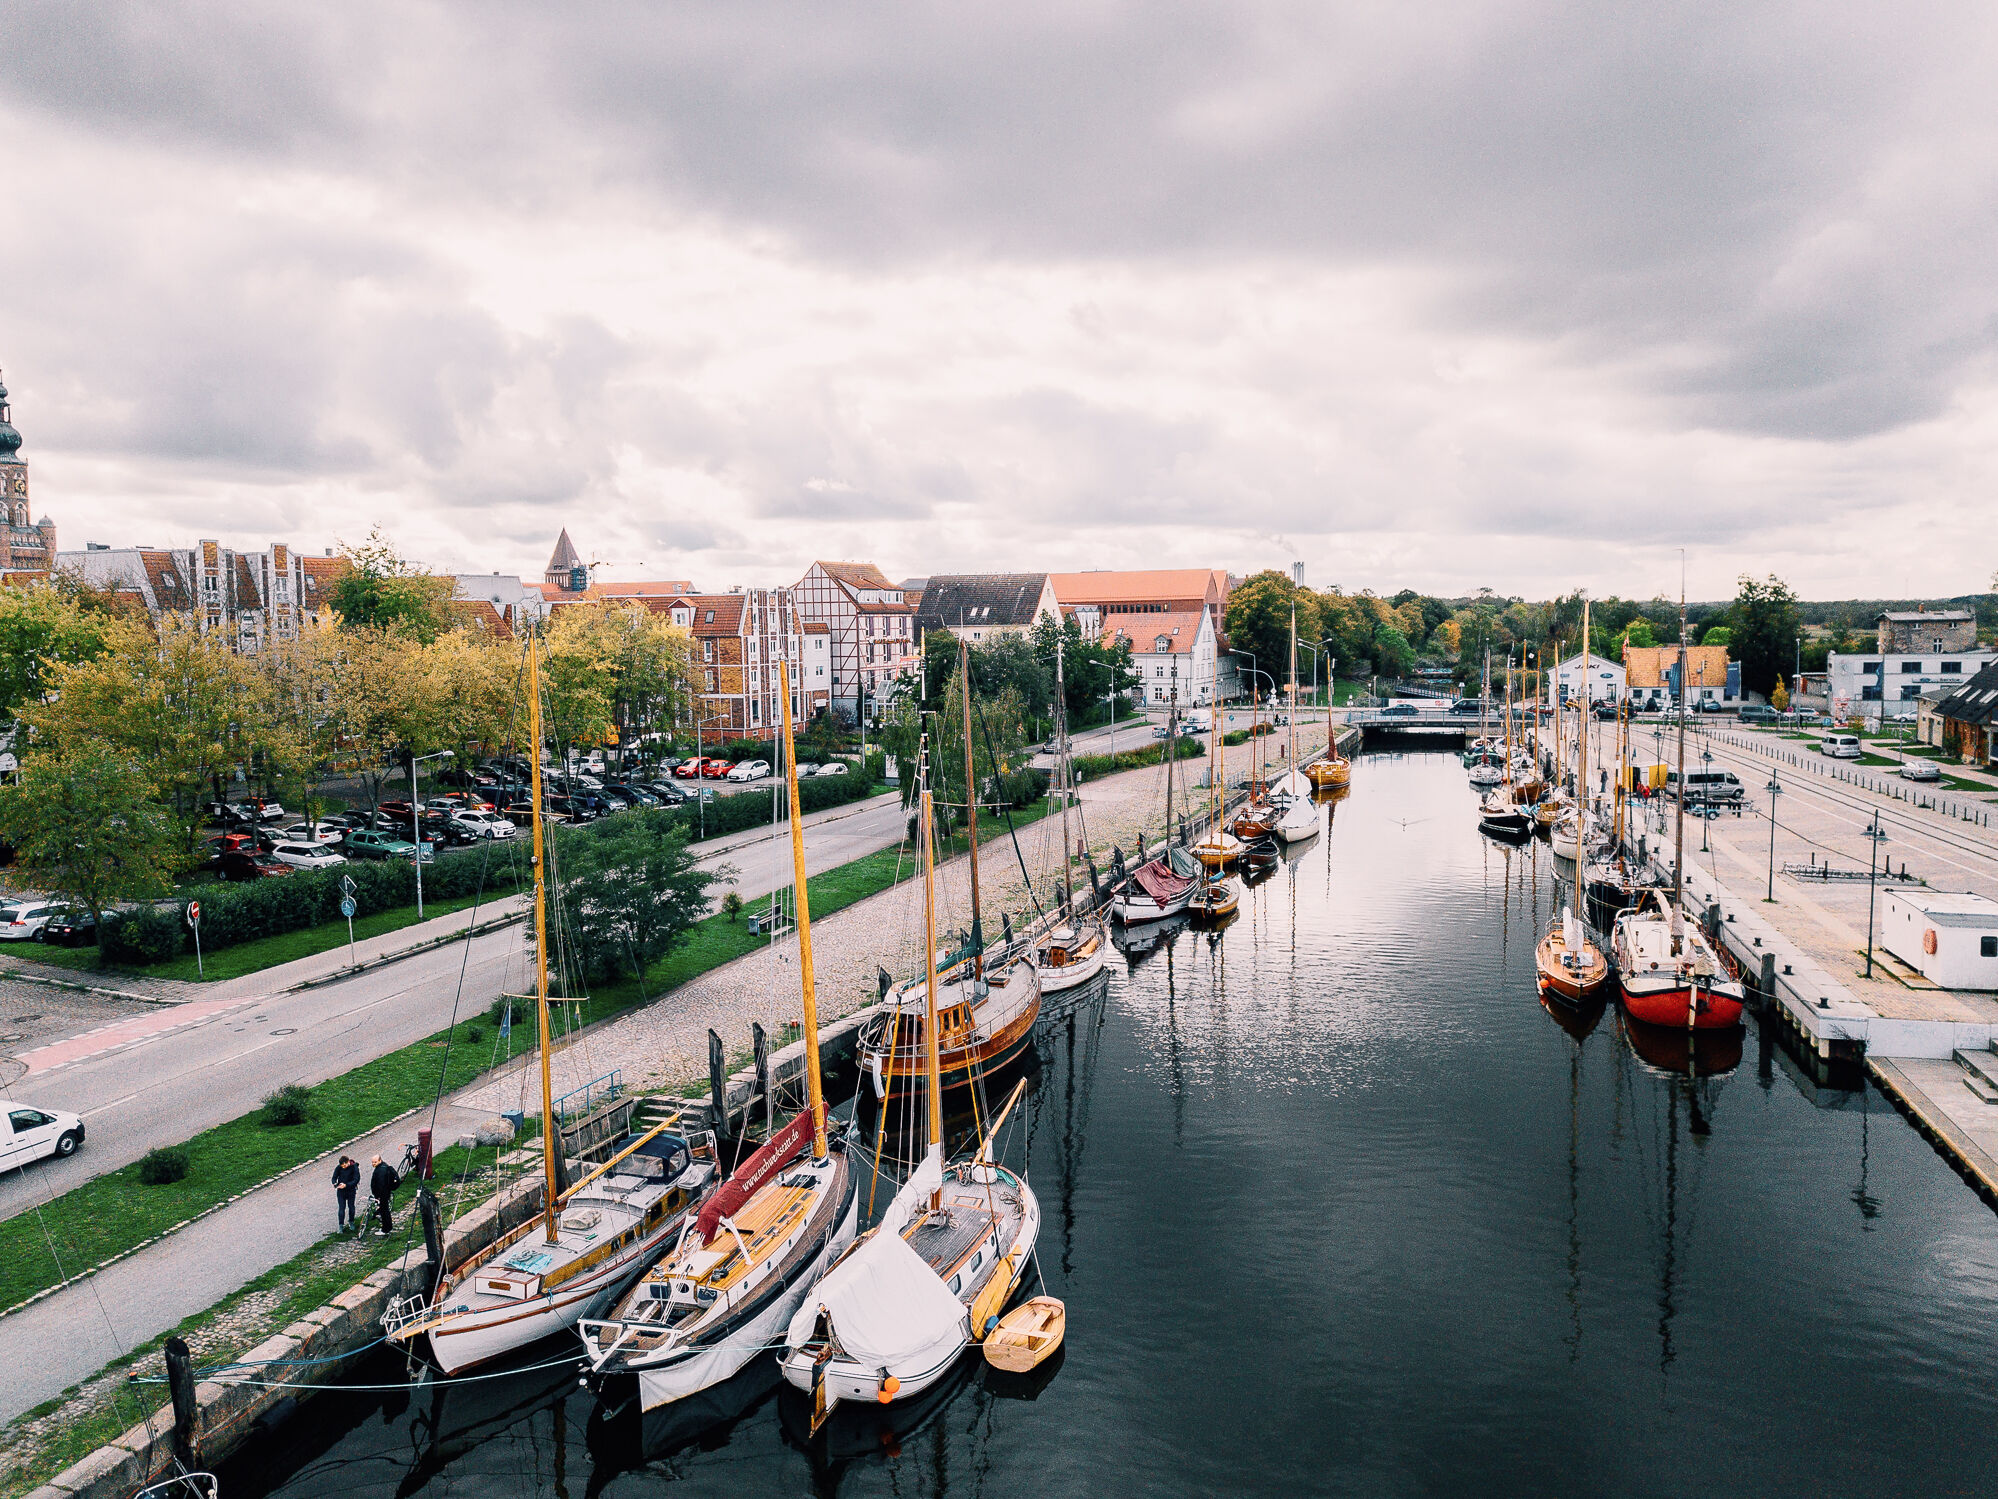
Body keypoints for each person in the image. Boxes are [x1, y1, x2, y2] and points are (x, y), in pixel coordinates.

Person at [369, 1154, 399, 1236]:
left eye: (375, 1162)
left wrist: (378, 1196)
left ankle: (385, 1229)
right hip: (385, 1193)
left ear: (379, 1160)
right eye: (372, 1162)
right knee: (385, 1211)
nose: (373, 1164)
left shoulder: (380, 1171)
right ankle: (387, 1227)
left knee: (384, 1211)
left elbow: (380, 1185)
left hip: (382, 1194)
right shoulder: (383, 1167)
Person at [331, 1155, 360, 1233]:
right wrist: (335, 1183)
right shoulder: (339, 1168)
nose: (344, 1167)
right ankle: (341, 1225)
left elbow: (356, 1179)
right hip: (341, 1191)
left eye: (345, 1165)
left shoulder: (354, 1167)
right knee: (341, 1208)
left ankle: (351, 1222)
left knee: (351, 1207)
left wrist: (346, 1185)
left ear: (348, 1162)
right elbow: (334, 1177)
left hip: (350, 1190)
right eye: (342, 1166)